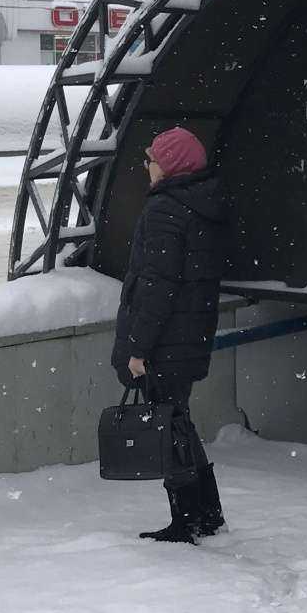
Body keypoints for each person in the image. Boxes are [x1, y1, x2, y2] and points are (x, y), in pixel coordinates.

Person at [112, 125, 230, 544]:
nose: (148, 166)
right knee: (179, 422)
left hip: (165, 341)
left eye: (153, 159)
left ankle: (187, 520)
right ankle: (206, 514)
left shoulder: (166, 210)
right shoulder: (202, 204)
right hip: (190, 335)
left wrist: (138, 348)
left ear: (171, 165)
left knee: (170, 428)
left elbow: (156, 287)